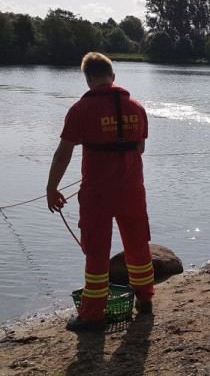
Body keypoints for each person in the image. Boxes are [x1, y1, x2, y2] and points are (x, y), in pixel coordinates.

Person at [46, 52, 156, 332]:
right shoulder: (137, 107)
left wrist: (52, 187)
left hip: (98, 194)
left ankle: (93, 315)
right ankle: (145, 300)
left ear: (88, 78)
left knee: (97, 251)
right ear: (113, 77)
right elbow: (140, 149)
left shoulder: (80, 110)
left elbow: (63, 154)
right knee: (138, 244)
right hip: (133, 189)